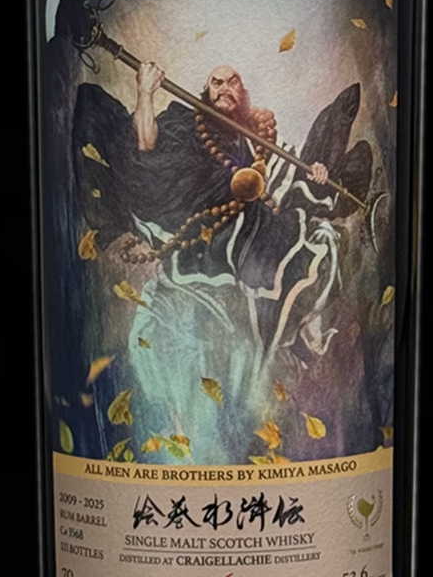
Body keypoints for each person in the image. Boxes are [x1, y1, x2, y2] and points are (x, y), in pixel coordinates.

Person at [72, 61, 373, 462]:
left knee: (295, 256)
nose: (225, 88)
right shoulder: (183, 122)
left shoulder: (253, 138)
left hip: (249, 230)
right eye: (217, 82)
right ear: (206, 89)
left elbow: (284, 178)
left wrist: (316, 173)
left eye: (233, 82)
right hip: (196, 237)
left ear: (242, 92)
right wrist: (145, 91)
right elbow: (145, 151)